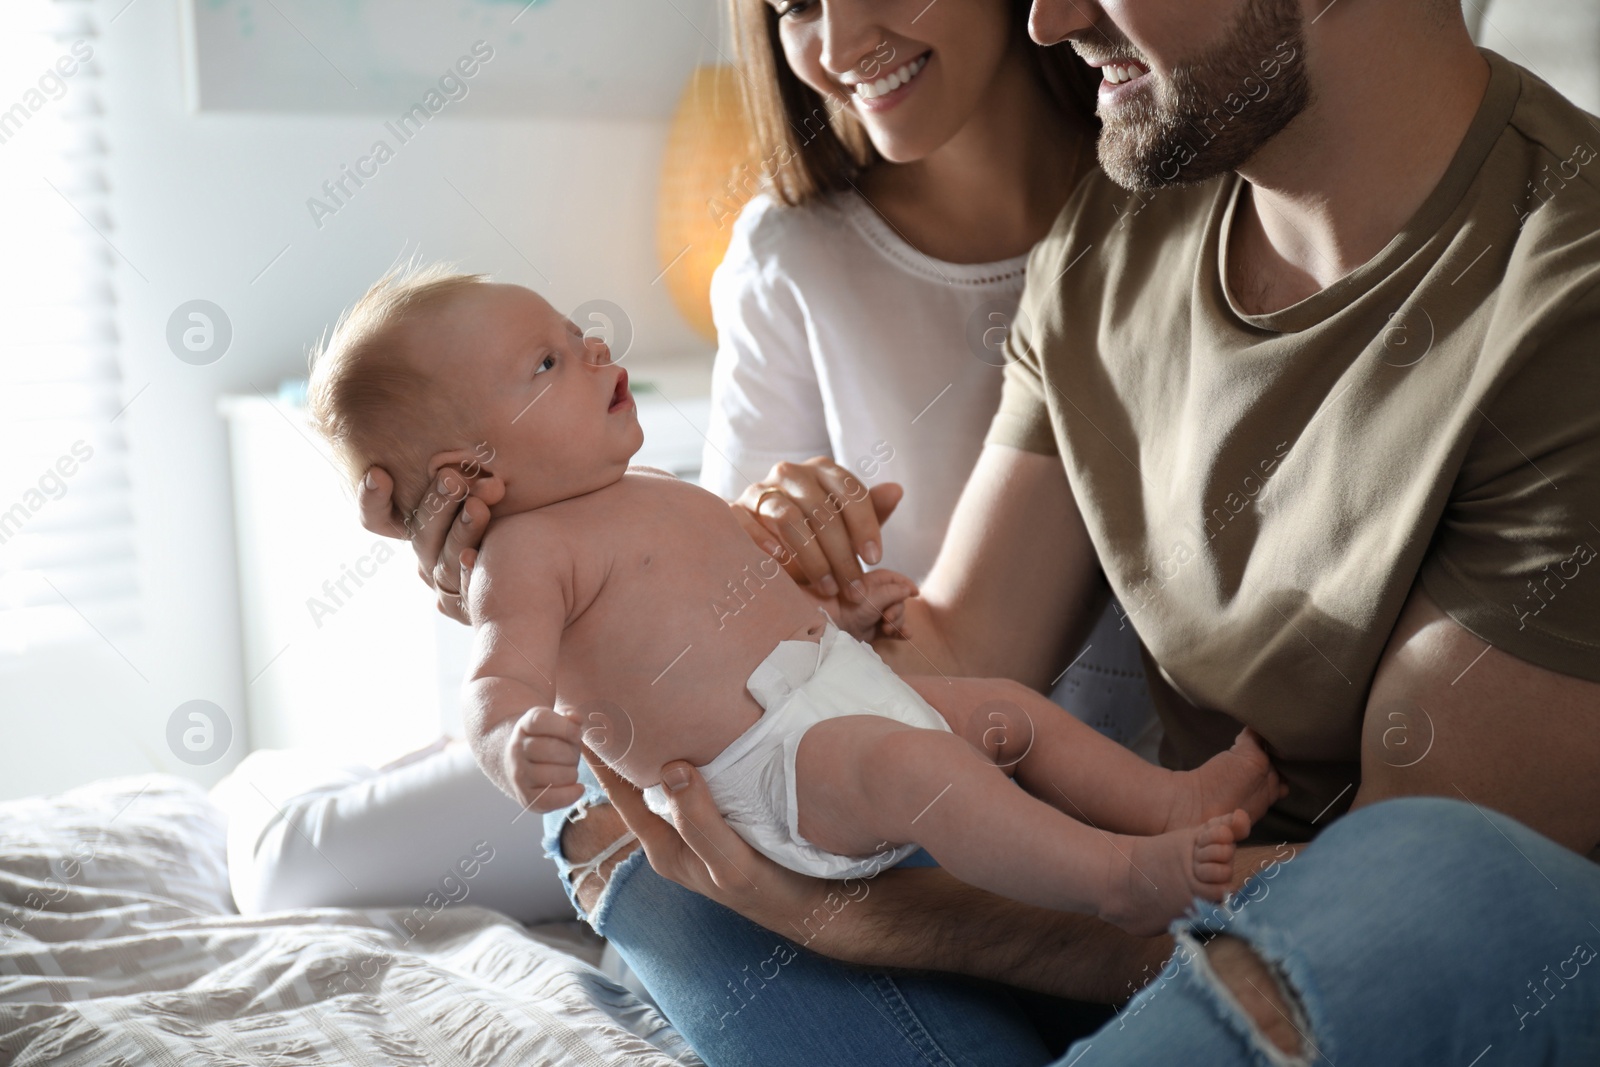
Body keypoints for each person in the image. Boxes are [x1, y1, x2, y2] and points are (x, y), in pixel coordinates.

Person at [560, 0, 1600, 1061]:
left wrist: (899, 922)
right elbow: (960, 652)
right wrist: (704, 613)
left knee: (1418, 883)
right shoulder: (1117, 228)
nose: (1048, 19)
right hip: (1165, 914)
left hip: (1375, 942)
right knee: (659, 829)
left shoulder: (1570, 290)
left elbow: (1398, 903)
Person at [306, 269, 1281, 934]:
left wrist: (842, 621)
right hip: (764, 772)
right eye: (548, 362)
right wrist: (511, 740)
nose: (594, 345)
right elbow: (493, 679)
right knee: (920, 770)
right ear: (468, 467)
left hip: (830, 683)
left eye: (574, 331)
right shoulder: (522, 553)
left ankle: (1171, 799)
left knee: (1006, 713)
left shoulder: (655, 493)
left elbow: (747, 604)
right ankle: (1111, 880)